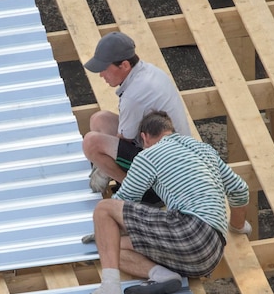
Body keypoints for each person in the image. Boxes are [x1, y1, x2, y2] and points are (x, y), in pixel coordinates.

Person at [71, 111, 251, 294]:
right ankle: (163, 276)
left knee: (104, 209)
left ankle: (109, 289)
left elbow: (124, 200)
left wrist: (101, 227)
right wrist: (237, 226)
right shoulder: (205, 150)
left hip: (188, 230)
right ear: (169, 130)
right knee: (112, 248)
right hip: (210, 256)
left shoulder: (149, 155)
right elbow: (240, 189)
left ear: (144, 137)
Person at [82, 32, 192, 203]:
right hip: (168, 153)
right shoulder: (148, 71)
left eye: (105, 69)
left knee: (91, 143)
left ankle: (135, 192)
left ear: (124, 65)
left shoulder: (135, 95)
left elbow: (123, 140)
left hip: (167, 174)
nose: (101, 75)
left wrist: (103, 167)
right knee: (99, 119)